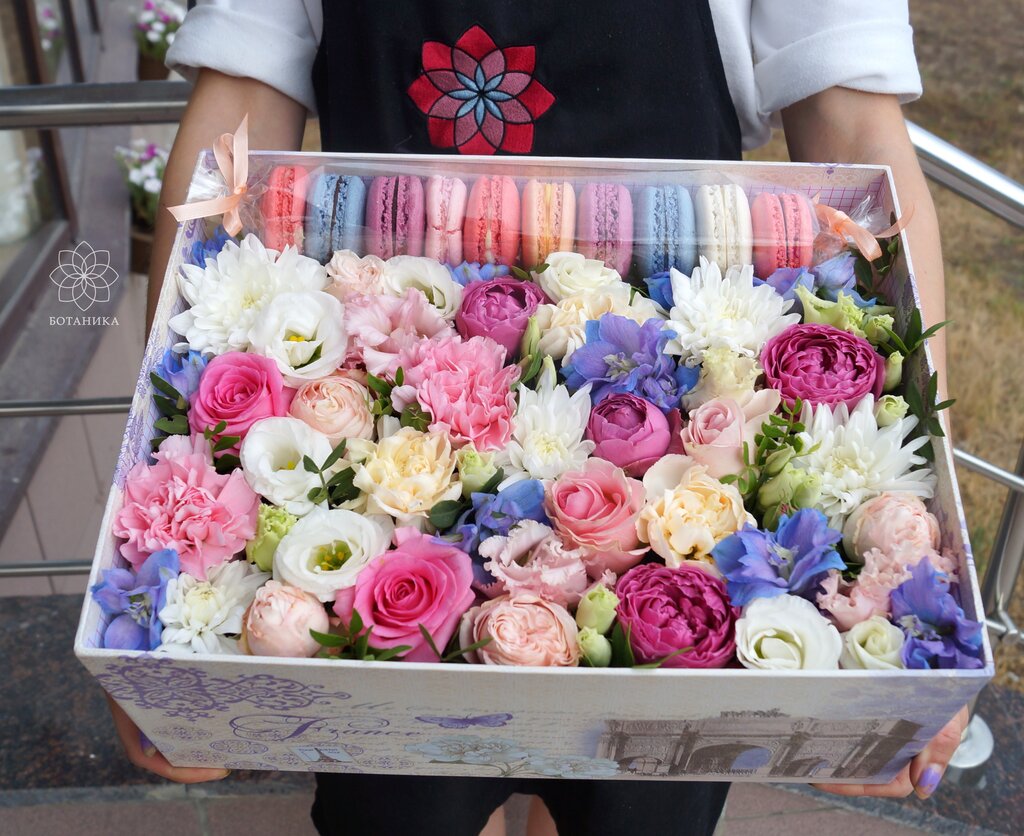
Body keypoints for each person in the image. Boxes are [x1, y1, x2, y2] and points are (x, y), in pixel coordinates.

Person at [116, 1, 968, 834]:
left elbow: (860, 140)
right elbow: (230, 140)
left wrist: (925, 580)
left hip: (681, 372)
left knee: (639, 797)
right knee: (401, 799)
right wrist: (158, 530)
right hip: (387, 377)